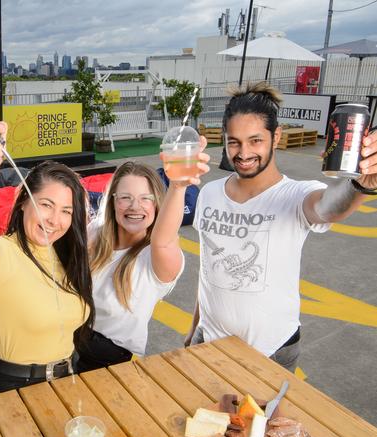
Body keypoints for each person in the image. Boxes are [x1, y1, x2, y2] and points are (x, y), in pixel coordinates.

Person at [185, 82, 377, 371]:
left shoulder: (295, 194)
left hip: (271, 351)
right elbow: (208, 273)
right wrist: (194, 329)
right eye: (234, 141)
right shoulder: (210, 193)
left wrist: (360, 186)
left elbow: (326, 208)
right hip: (208, 340)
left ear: (276, 137)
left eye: (255, 140)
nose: (243, 152)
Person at [0, 108, 95, 395]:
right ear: (23, 203)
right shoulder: (0, 255)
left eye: (66, 211)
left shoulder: (66, 255)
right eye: (45, 204)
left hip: (69, 379)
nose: (55, 220)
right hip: (15, 389)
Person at [74, 156, 210, 372]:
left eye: (146, 198)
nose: (135, 206)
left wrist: (178, 186)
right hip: (67, 346)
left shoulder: (155, 256)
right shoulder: (96, 233)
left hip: (109, 364)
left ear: (158, 204)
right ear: (112, 201)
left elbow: (162, 239)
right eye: (125, 197)